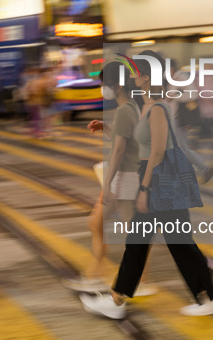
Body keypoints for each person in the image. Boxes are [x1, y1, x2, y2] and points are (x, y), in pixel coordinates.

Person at [80, 51, 213, 319]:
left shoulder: (158, 107)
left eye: (136, 72)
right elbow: (140, 143)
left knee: (178, 244)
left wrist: (145, 189)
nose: (132, 76)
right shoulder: (147, 105)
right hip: (155, 179)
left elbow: (158, 152)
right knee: (143, 244)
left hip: (162, 183)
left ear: (147, 78)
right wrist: (107, 129)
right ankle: (117, 299)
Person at [63, 62, 156, 296]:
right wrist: (107, 127)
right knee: (98, 224)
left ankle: (137, 280)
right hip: (124, 177)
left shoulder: (127, 109)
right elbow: (124, 137)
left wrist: (107, 182)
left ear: (118, 85)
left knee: (134, 233)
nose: (103, 88)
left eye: (105, 84)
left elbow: (119, 150)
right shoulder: (130, 107)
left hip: (126, 178)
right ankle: (98, 273)